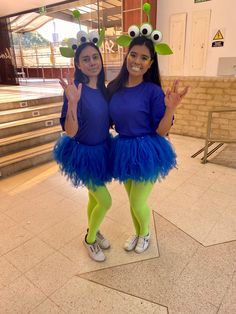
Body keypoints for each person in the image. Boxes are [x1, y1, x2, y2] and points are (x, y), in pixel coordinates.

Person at [108, 35, 188, 254]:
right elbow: (108, 120)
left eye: (144, 58)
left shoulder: (153, 91)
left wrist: (171, 109)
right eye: (133, 54)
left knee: (137, 201)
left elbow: (161, 131)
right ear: (127, 55)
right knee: (131, 199)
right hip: (123, 149)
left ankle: (145, 234)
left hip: (147, 150)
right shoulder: (113, 87)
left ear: (151, 63)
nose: (137, 61)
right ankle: (138, 232)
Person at [54, 42, 112, 262]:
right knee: (105, 201)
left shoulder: (104, 89)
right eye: (85, 59)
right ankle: (89, 240)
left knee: (93, 198)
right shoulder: (75, 90)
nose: (92, 63)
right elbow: (70, 131)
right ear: (77, 64)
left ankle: (93, 229)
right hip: (82, 154)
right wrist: (72, 104)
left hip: (102, 150)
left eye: (95, 57)